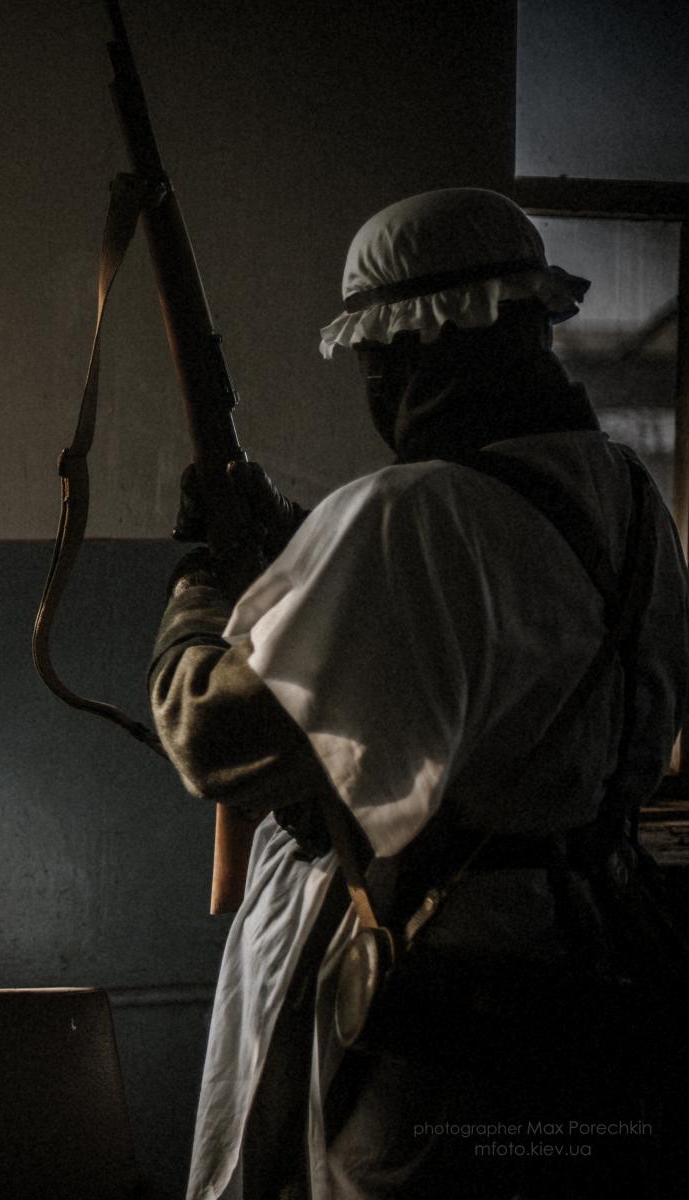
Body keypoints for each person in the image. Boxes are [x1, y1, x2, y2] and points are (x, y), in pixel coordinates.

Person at [150, 188, 689, 1199]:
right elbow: (474, 611)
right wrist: (293, 537)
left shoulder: (407, 515)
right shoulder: (630, 495)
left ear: (408, 352)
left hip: (442, 1001)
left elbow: (210, 734)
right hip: (591, 968)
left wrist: (200, 593)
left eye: (376, 360)